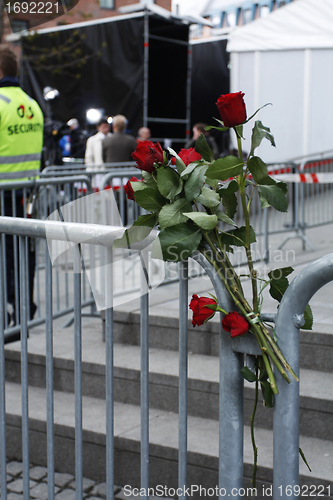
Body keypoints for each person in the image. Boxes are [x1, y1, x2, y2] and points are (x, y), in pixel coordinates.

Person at [0, 45, 44, 324]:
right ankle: (23, 306)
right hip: (27, 192)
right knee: (23, 250)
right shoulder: (31, 104)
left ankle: (11, 310)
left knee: (6, 255)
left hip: (3, 191)